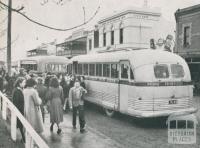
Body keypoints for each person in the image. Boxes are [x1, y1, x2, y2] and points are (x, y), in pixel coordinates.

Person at [12, 77, 26, 143]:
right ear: (20, 83)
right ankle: (23, 138)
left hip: (20, 110)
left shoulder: (19, 89)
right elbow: (17, 102)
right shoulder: (17, 91)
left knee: (19, 125)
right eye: (24, 82)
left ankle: (22, 138)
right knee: (20, 125)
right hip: (19, 110)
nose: (25, 84)